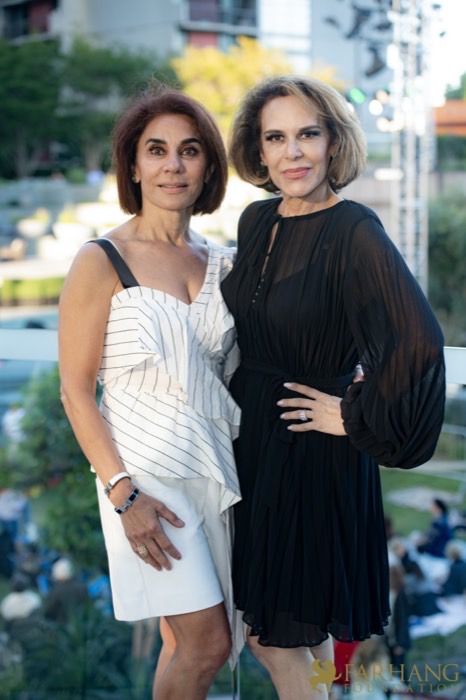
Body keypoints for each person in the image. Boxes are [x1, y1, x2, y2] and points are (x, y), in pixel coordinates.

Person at [221, 76, 445, 699]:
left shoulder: (354, 228)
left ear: (333, 142)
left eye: (308, 134)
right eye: (276, 138)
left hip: (312, 449)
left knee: (277, 639)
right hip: (256, 444)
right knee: (303, 637)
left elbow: (418, 341)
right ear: (259, 150)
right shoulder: (256, 220)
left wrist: (353, 415)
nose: (292, 152)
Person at [59, 85, 241, 700]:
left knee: (183, 642)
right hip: (145, 482)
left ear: (208, 166)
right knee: (207, 644)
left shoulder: (224, 263)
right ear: (133, 166)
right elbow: (75, 392)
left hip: (216, 470)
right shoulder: (101, 259)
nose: (173, 165)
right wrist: (123, 494)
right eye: (156, 150)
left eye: (190, 150)